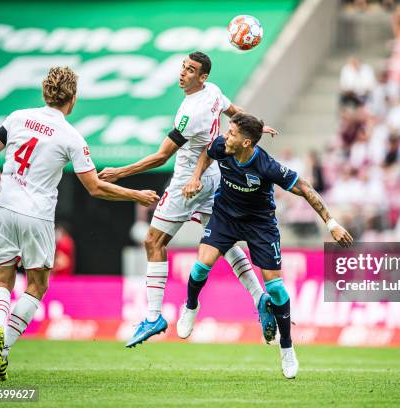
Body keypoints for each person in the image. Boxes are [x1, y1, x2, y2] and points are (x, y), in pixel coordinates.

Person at [0, 66, 160, 381]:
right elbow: (95, 187)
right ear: (72, 99)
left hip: (5, 207)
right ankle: (5, 345)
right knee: (37, 285)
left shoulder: (17, 117)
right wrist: (136, 195)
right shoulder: (70, 136)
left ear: (45, 93)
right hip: (36, 214)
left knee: (3, 281)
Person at [97, 52, 280, 348]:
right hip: (213, 178)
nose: (183, 73)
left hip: (187, 183)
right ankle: (260, 298)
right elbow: (235, 114)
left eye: (191, 70)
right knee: (227, 242)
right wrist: (257, 127)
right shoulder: (214, 92)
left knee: (153, 242)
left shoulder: (189, 112)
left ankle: (154, 315)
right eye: (183, 67)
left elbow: (161, 156)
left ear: (202, 77)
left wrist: (121, 172)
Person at [178, 112, 353, 378]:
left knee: (277, 290)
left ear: (247, 143)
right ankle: (191, 306)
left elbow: (304, 188)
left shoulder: (267, 166)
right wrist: (196, 176)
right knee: (201, 266)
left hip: (260, 224)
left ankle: (287, 348)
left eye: (233, 133)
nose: (227, 136)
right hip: (225, 216)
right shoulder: (221, 146)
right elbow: (206, 153)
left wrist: (331, 223)